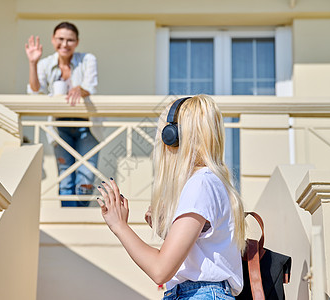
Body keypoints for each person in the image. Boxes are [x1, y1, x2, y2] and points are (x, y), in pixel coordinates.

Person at [96, 95, 246, 299]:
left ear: (172, 136)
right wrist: (167, 230)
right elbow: (202, 254)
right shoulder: (209, 182)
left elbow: (160, 270)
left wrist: (119, 226)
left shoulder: (200, 183)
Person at [25, 22, 98, 207]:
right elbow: (35, 90)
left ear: (77, 42)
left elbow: (90, 87)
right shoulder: (45, 63)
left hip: (87, 126)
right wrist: (33, 63)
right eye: (60, 39)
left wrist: (79, 89)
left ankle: (80, 220)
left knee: (85, 179)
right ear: (53, 39)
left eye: (70, 40)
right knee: (65, 178)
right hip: (60, 126)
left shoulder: (88, 59)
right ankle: (70, 218)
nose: (65, 44)